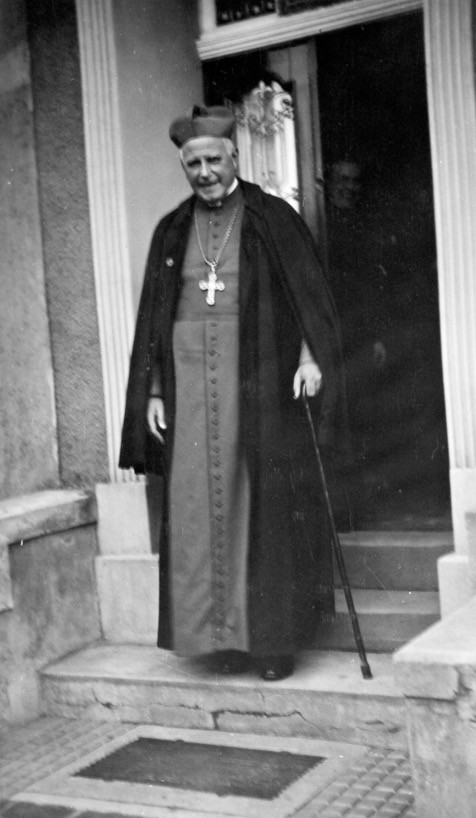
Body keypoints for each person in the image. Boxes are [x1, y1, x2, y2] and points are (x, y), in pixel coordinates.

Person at [119, 105, 348, 681]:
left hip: (259, 379)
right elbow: (154, 317)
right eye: (192, 164)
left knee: (260, 507)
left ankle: (270, 645)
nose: (204, 173)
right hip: (188, 389)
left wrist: (310, 357)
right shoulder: (173, 228)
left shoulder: (272, 217)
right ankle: (217, 639)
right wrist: (153, 391)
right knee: (197, 510)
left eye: (213, 161)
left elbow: (308, 295)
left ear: (235, 157)